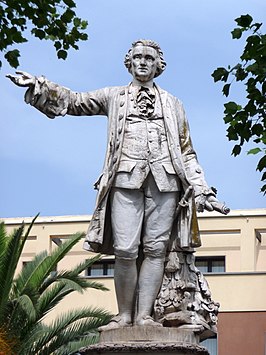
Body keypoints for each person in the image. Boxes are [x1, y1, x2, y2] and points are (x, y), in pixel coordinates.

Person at [7, 39, 229, 330]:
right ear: (129, 62)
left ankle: (145, 316)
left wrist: (201, 187)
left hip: (166, 183)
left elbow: (186, 151)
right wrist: (39, 85)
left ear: (159, 65)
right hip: (125, 179)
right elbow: (75, 101)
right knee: (125, 249)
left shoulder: (174, 104)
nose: (142, 62)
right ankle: (124, 315)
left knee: (155, 250)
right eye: (137, 56)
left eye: (149, 58)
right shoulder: (115, 96)